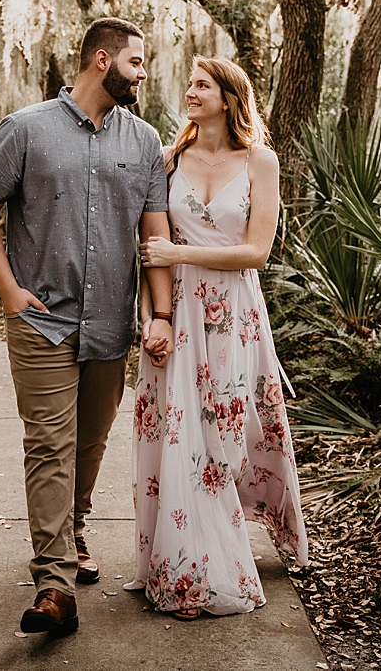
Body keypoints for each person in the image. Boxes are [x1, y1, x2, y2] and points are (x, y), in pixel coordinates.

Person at [0, 17, 174, 636]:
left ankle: (76, 528)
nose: (145, 74)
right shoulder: (26, 129)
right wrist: (9, 291)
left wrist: (159, 315)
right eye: (138, 62)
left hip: (111, 320)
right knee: (49, 445)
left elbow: (155, 234)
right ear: (104, 61)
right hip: (42, 320)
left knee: (88, 441)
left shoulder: (144, 142)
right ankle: (54, 583)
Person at [127, 57, 307, 617]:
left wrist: (181, 253)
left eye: (202, 85)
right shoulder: (166, 160)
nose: (190, 91)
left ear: (230, 98)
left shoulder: (260, 161)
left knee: (223, 427)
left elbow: (257, 252)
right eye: (190, 83)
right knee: (181, 430)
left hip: (233, 312)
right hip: (177, 309)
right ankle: (185, 560)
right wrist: (152, 317)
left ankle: (261, 522)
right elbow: (149, 246)